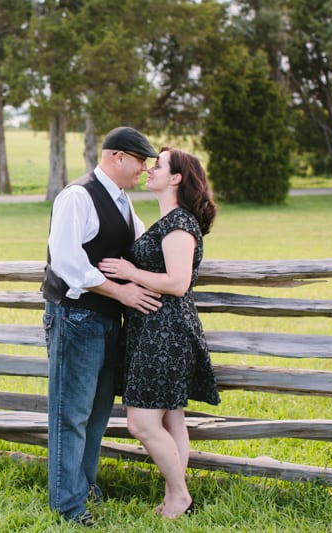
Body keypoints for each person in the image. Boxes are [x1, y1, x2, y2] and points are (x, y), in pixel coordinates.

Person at [42, 126, 163, 526]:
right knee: (71, 413)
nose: (143, 170)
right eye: (139, 161)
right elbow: (68, 262)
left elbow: (145, 246)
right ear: (117, 157)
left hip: (108, 318)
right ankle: (68, 506)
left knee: (96, 414)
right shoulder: (78, 196)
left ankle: (84, 487)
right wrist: (122, 293)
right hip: (76, 317)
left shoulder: (124, 203)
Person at [98, 146, 221, 519]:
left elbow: (178, 282)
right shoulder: (168, 220)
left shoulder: (179, 224)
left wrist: (128, 272)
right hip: (153, 329)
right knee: (171, 419)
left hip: (165, 333)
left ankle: (180, 496)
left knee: (141, 422)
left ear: (177, 178)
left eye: (158, 166)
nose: (149, 170)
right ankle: (173, 499)